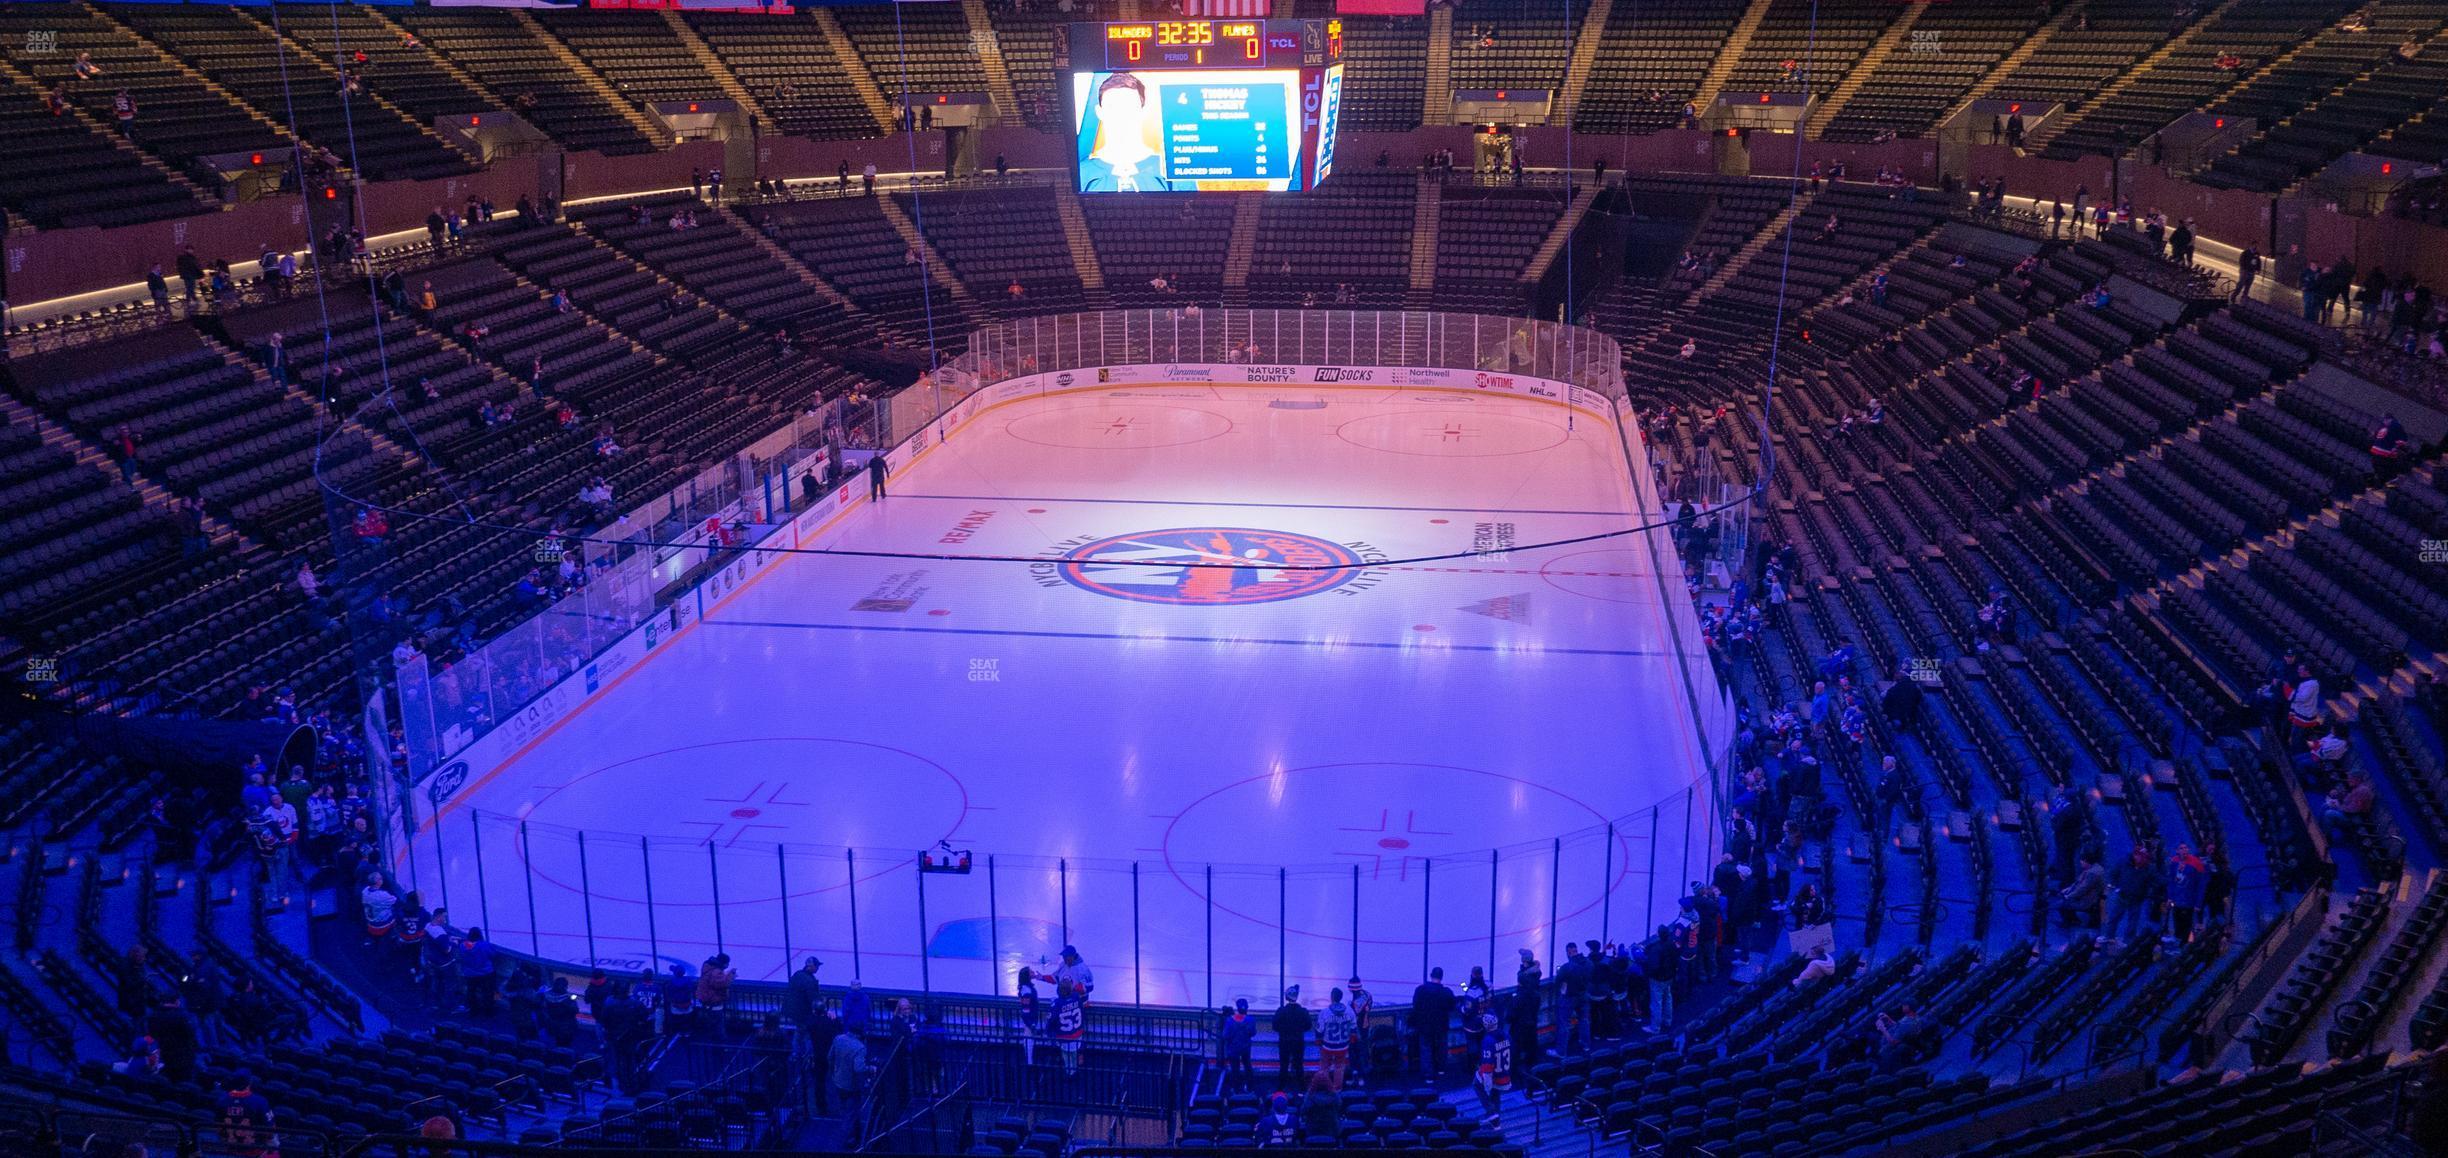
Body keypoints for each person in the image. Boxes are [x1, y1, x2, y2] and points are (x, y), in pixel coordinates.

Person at [1079, 73, 1171, 191]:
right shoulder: (1083, 172)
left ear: (1143, 111)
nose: (1121, 114)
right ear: (1099, 112)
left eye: (1129, 106)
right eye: (1112, 107)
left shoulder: (1169, 169)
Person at [1410, 967, 1453, 1079]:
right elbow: (1452, 1006)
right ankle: (1441, 1070)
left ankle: (1428, 1075)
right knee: (1441, 1047)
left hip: (1425, 1026)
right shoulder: (1446, 992)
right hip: (1441, 1026)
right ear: (1441, 977)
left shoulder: (1420, 990)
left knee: (1426, 1049)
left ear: (1430, 975)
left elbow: (1415, 1005)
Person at [1472, 1011, 1510, 1128]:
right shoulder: (1506, 1035)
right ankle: (1496, 1124)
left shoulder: (1488, 1040)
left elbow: (1487, 1065)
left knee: (1476, 1085)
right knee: (1495, 1093)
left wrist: (1487, 1082)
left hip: (1494, 1075)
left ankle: (1492, 1112)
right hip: (1504, 1074)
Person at [1316, 987, 1356, 1091]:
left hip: (1328, 1046)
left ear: (1332, 997)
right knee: (1339, 1067)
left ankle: (1325, 1088)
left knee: (1325, 1067)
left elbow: (1320, 1030)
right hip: (1342, 1045)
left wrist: (1319, 1041)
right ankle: (1337, 1089)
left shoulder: (1325, 1012)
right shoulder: (1349, 1010)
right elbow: (1353, 1027)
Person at [1272, 986, 1311, 1090]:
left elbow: (1275, 1026)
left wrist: (1284, 1031)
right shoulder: (1303, 1011)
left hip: (1284, 1042)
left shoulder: (1281, 1011)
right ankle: (1302, 1088)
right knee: (1299, 1065)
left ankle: (1281, 1088)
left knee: (1283, 1065)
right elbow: (1308, 1025)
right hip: (1298, 1041)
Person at [1219, 997, 1257, 1089]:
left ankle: (1236, 1088)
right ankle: (1250, 1086)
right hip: (1245, 1048)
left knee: (1235, 1068)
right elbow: (1253, 1033)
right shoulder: (1251, 1020)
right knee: (1247, 1066)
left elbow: (1225, 1035)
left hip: (1233, 1049)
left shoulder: (1230, 1021)